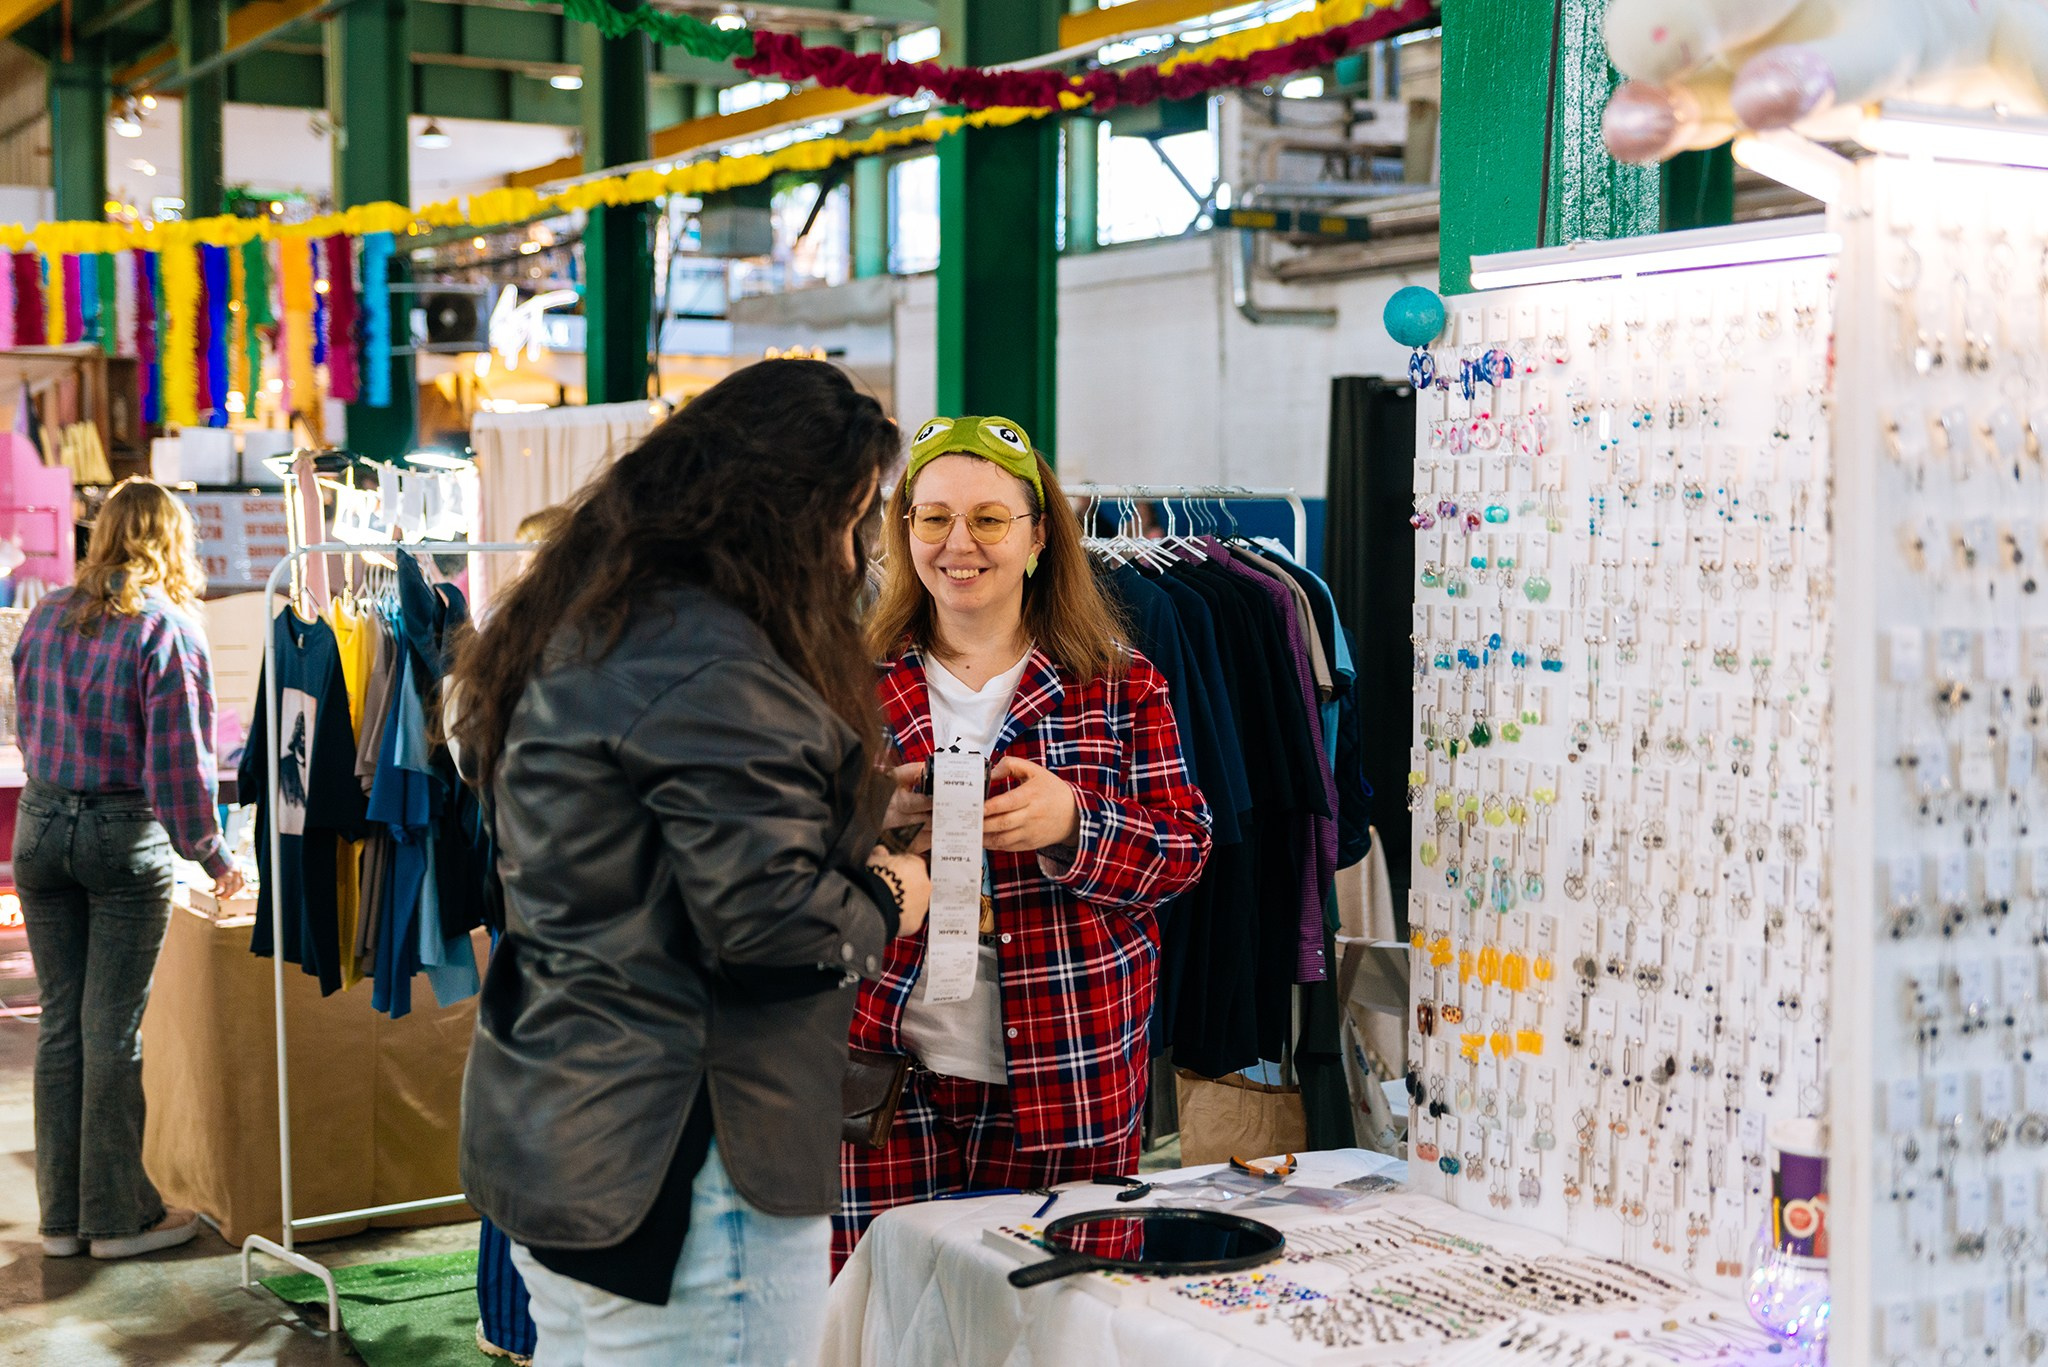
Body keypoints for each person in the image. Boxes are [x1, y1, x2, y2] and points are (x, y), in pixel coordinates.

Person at [449, 359, 931, 1367]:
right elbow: (766, 927)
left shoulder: (599, 621)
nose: (852, 561)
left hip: (570, 1126)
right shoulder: (711, 660)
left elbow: (644, 855)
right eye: (847, 522)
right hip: (688, 1166)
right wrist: (889, 893)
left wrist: (860, 806)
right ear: (782, 516)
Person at [837, 415, 1212, 1271]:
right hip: (883, 1070)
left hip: (1067, 1071)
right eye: (931, 518)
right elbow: (783, 852)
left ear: (1039, 535)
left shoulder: (1118, 683)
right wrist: (873, 820)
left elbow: (1185, 849)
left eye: (989, 518)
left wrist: (1075, 824)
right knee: (881, 1315)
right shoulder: (849, 680)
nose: (957, 543)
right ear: (904, 535)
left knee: (1047, 1319)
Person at [13, 478, 246, 1260]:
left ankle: (61, 1220)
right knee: (110, 1027)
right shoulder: (165, 628)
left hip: (40, 826)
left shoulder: (44, 614)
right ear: (171, 540)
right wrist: (213, 854)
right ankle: (117, 1218)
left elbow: (25, 717)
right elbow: (178, 766)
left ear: (103, 531)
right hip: (120, 837)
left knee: (61, 1022)